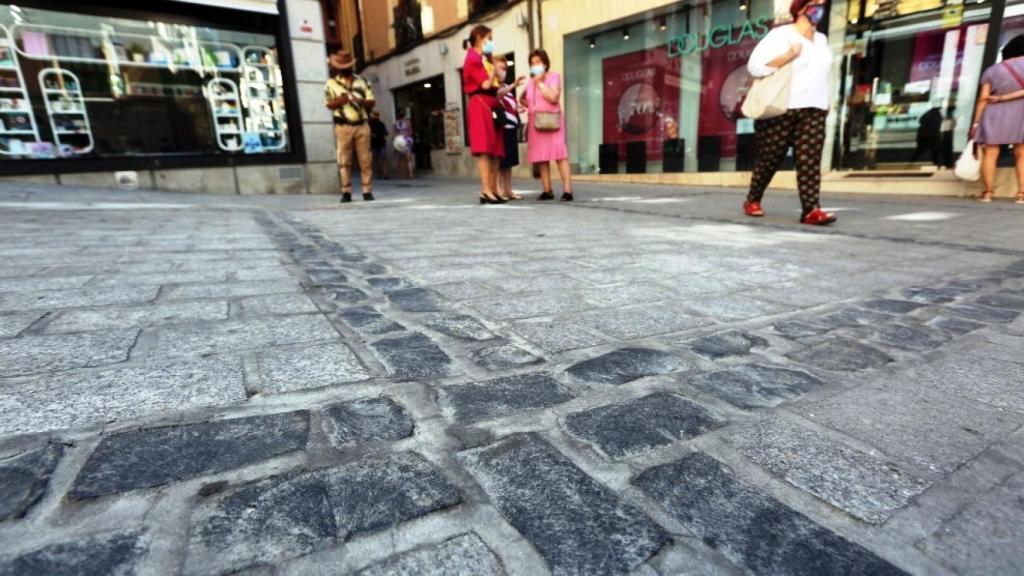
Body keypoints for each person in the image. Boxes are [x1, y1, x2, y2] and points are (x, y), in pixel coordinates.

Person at [743, 0, 835, 225]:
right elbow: (754, 66)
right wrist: (788, 55)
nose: (820, 8)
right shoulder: (781, 35)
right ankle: (753, 199)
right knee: (770, 159)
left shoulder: (822, 40)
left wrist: (827, 100)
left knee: (809, 161)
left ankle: (811, 210)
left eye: (822, 4)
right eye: (815, 4)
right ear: (801, 9)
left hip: (814, 109)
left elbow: (824, 74)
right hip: (782, 108)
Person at [971, 35, 1024, 204]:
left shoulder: (992, 70)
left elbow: (983, 98)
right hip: (1020, 112)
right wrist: (1008, 97)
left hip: (993, 114)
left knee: (991, 152)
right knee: (1021, 153)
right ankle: (1021, 194)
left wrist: (976, 122)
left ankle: (987, 193)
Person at [521, 49, 573, 201]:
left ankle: (567, 191)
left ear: (545, 62)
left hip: (553, 122)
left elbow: (554, 98)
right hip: (536, 123)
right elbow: (523, 98)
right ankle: (547, 190)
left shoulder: (554, 77)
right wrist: (526, 105)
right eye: (532, 63)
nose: (535, 65)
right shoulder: (530, 83)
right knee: (542, 157)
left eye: (537, 62)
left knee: (560, 155)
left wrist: (540, 83)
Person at [462, 25, 506, 204]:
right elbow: (486, 84)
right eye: (489, 38)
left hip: (491, 102)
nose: (491, 42)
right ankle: (486, 190)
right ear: (480, 38)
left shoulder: (485, 58)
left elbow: (501, 80)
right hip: (480, 102)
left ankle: (491, 189)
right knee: (485, 149)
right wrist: (493, 70)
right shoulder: (473, 58)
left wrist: (493, 64)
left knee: (495, 149)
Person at [324, 50, 375, 203]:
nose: (344, 68)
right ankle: (346, 192)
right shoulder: (331, 84)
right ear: (337, 67)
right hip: (343, 126)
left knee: (365, 159)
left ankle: (367, 190)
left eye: (347, 65)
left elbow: (372, 102)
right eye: (341, 66)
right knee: (344, 160)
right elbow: (329, 104)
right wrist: (341, 100)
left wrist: (360, 101)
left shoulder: (362, 82)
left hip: (362, 125)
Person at [493, 54, 526, 200]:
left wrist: (517, 109)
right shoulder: (493, 86)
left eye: (504, 68)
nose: (503, 71)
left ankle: (508, 190)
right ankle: (498, 190)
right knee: (500, 163)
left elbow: (509, 105)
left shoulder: (506, 87)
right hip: (501, 129)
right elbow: (498, 96)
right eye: (500, 68)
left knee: (509, 163)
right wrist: (514, 84)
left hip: (512, 129)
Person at [394, 108, 415, 179]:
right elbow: (410, 132)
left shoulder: (400, 122)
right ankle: (408, 174)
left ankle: (406, 174)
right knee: (406, 158)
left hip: (403, 141)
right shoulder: (402, 122)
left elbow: (396, 133)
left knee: (404, 158)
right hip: (402, 141)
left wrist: (401, 137)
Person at [368, 110, 389, 180]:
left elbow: (386, 133)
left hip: (375, 143)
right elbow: (386, 133)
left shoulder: (370, 124)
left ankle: (380, 174)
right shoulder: (381, 124)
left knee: (376, 159)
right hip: (380, 143)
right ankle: (384, 174)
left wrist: (373, 135)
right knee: (382, 159)